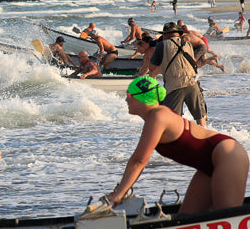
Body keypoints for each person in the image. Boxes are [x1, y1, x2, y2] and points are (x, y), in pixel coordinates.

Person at [96, 76, 248, 215]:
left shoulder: (158, 116)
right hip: (208, 165)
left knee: (224, 218)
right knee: (186, 219)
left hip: (227, 155)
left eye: (129, 95)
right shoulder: (154, 117)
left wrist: (118, 194)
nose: (126, 100)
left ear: (142, 98)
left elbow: (139, 161)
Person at [147, 21, 207, 127]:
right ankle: (205, 138)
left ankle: (177, 141)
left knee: (173, 120)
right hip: (192, 84)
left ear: (167, 34)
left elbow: (151, 67)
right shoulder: (187, 44)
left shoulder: (162, 45)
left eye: (163, 34)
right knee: (200, 116)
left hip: (174, 86)